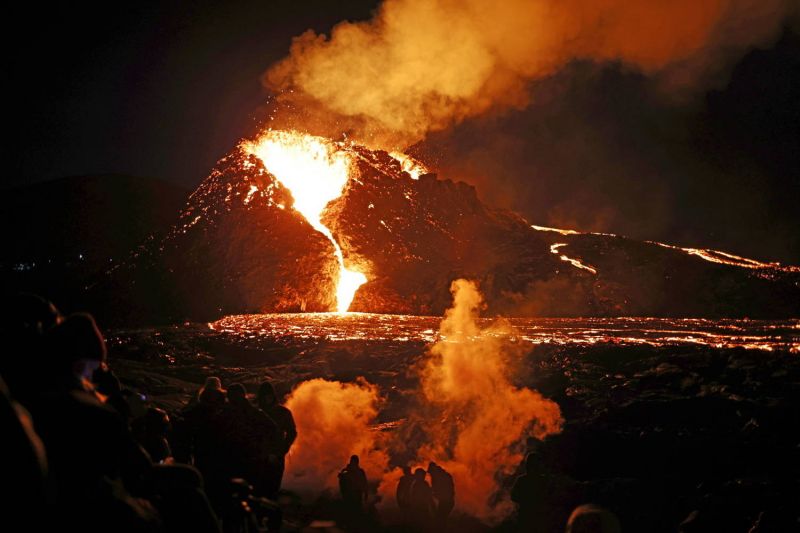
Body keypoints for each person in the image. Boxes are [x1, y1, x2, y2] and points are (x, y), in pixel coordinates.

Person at [256, 381, 296, 496]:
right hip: (260, 456)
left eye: (269, 396)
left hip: (277, 454)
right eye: (264, 397)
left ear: (273, 396)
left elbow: (292, 432)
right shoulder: (256, 413)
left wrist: (283, 450)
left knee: (274, 487)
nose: (267, 399)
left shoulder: (283, 412)